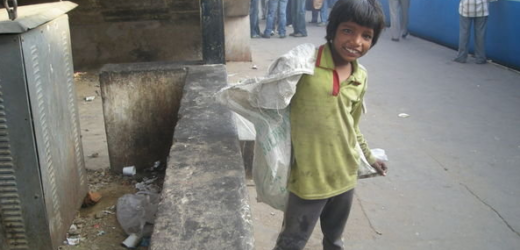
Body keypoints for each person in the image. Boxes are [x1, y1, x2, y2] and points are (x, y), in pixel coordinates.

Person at [273, 0, 387, 249]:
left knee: (334, 241)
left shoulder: (360, 76)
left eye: (366, 36)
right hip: (308, 179)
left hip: (344, 177)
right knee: (292, 241)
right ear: (333, 29)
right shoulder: (303, 66)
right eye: (348, 30)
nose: (356, 42)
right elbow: (271, 105)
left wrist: (369, 156)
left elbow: (352, 126)